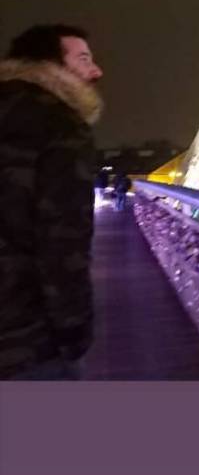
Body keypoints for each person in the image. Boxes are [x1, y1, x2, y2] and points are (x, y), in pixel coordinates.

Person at [0, 24, 104, 380]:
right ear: (50, 66)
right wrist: (75, 333)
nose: (96, 71)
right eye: (84, 59)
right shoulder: (59, 125)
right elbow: (61, 246)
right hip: (25, 339)